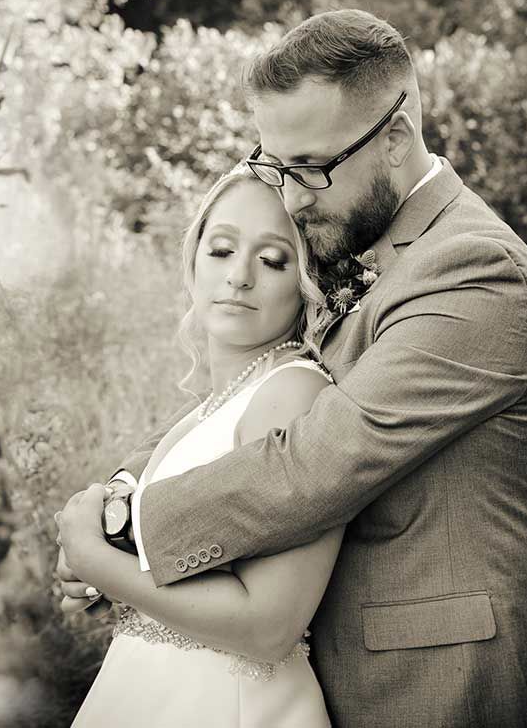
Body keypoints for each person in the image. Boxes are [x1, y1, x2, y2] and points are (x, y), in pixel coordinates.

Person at [58, 9, 527, 726]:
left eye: (311, 169)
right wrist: (124, 488)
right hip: (336, 677)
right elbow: (254, 391)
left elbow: (316, 460)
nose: (292, 197)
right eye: (277, 166)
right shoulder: (363, 240)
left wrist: (121, 530)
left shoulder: (476, 271)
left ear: (395, 139)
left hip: (441, 686)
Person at [57, 165, 334, 726]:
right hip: (153, 690)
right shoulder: (211, 406)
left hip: (226, 703)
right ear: (192, 262)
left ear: (308, 281)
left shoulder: (293, 394)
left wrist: (97, 561)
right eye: (221, 250)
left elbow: (270, 624)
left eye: (273, 259)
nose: (238, 277)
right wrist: (106, 564)